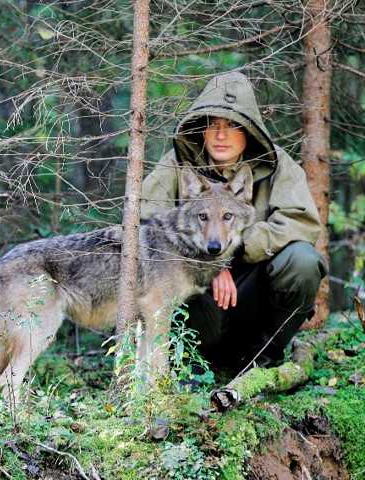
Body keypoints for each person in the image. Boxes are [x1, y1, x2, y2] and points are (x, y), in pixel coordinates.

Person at [140, 71, 328, 370]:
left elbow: (301, 222)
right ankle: (183, 364)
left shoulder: (280, 166)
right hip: (196, 304)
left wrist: (235, 248)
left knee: (303, 260)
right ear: (201, 129)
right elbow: (144, 225)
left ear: (250, 131)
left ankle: (261, 362)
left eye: (232, 125)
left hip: (252, 294)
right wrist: (206, 263)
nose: (221, 135)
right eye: (212, 125)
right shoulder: (176, 165)